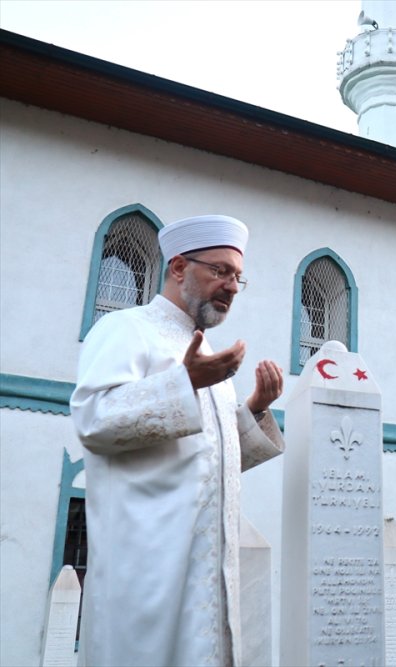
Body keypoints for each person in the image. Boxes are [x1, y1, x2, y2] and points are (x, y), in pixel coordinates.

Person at [71, 214, 285, 667]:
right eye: (220, 271)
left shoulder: (208, 358)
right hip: (149, 570)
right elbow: (92, 421)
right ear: (179, 267)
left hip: (208, 572)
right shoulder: (126, 329)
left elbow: (211, 460)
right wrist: (183, 382)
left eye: (238, 278)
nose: (230, 286)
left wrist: (254, 409)